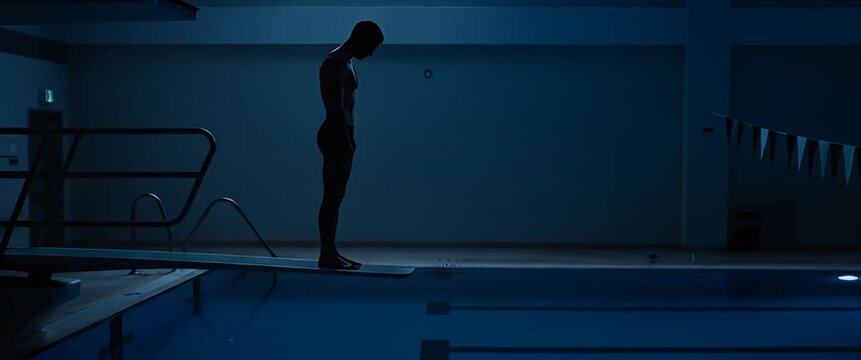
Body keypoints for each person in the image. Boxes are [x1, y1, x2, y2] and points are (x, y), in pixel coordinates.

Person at [316, 21, 383, 270]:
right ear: (361, 38)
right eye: (372, 46)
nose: (372, 53)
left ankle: (331, 252)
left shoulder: (347, 61)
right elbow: (335, 108)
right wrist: (345, 140)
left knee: (336, 196)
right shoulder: (335, 62)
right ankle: (326, 255)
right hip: (335, 133)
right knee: (331, 197)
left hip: (342, 132)